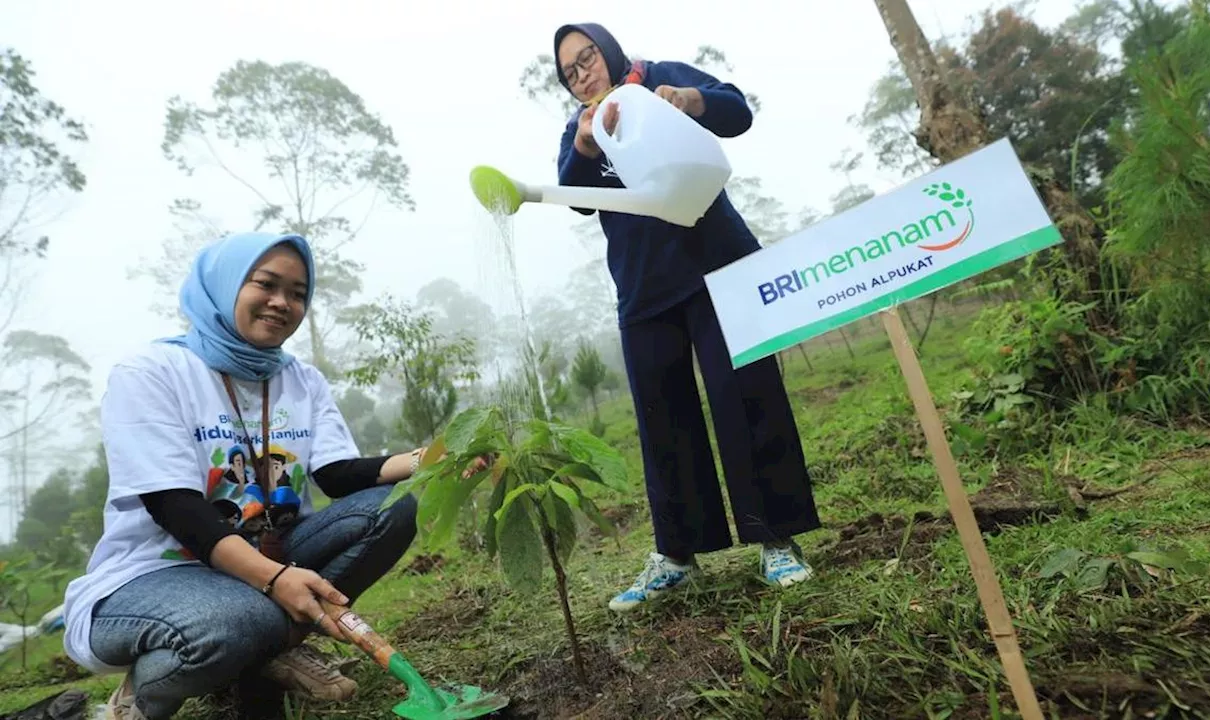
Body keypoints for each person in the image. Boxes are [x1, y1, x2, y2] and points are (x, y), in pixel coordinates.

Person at [61, 231, 484, 720]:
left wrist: (429, 458)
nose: (282, 302)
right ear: (225, 286)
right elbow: (177, 507)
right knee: (246, 618)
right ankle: (137, 704)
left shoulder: (300, 379)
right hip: (156, 574)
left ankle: (270, 646)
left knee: (393, 506)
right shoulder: (152, 372)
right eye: (266, 284)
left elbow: (339, 475)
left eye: (299, 293)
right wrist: (275, 582)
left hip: (270, 553)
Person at [552, 23, 822, 612]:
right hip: (644, 289)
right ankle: (677, 553)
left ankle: (775, 538)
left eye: (588, 57)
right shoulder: (582, 128)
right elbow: (573, 193)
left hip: (717, 269)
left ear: (610, 49)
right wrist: (586, 146)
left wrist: (689, 102)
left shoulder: (661, 78)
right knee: (661, 419)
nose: (582, 74)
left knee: (745, 397)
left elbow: (736, 112)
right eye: (569, 71)